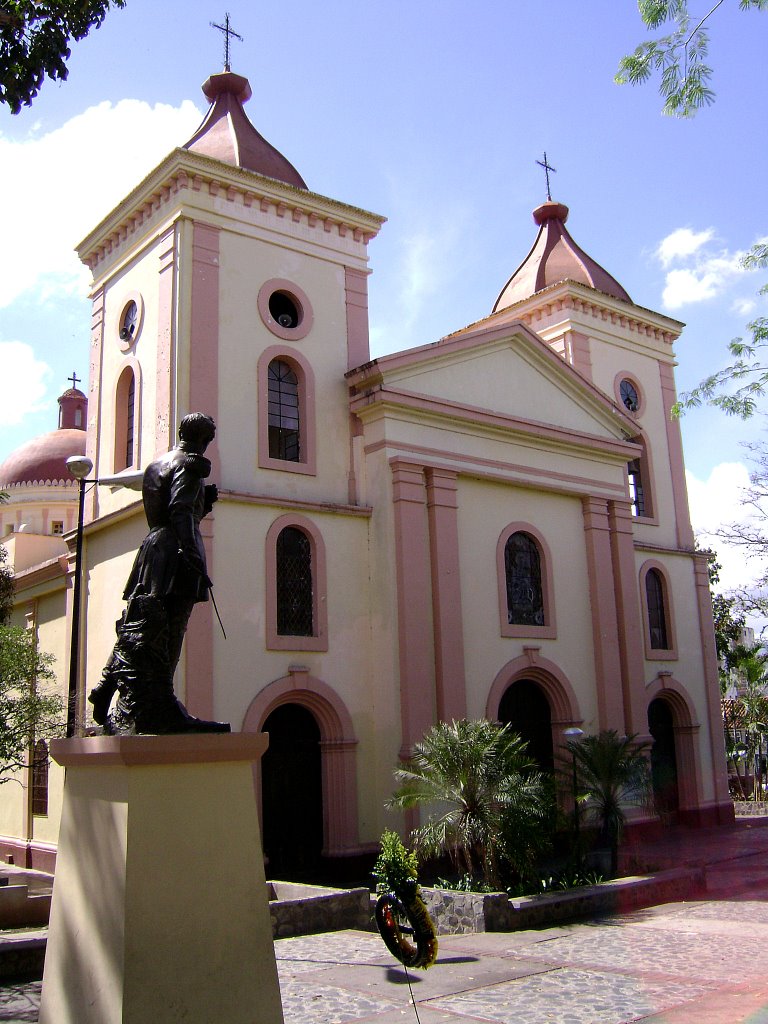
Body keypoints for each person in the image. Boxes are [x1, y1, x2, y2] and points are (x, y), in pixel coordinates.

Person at [89, 413, 230, 734]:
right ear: (205, 440)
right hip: (177, 550)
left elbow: (169, 504)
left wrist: (203, 503)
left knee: (140, 621)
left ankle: (106, 683)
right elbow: (180, 510)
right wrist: (193, 555)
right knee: (170, 628)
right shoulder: (191, 465)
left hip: (153, 547)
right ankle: (163, 705)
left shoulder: (156, 465)